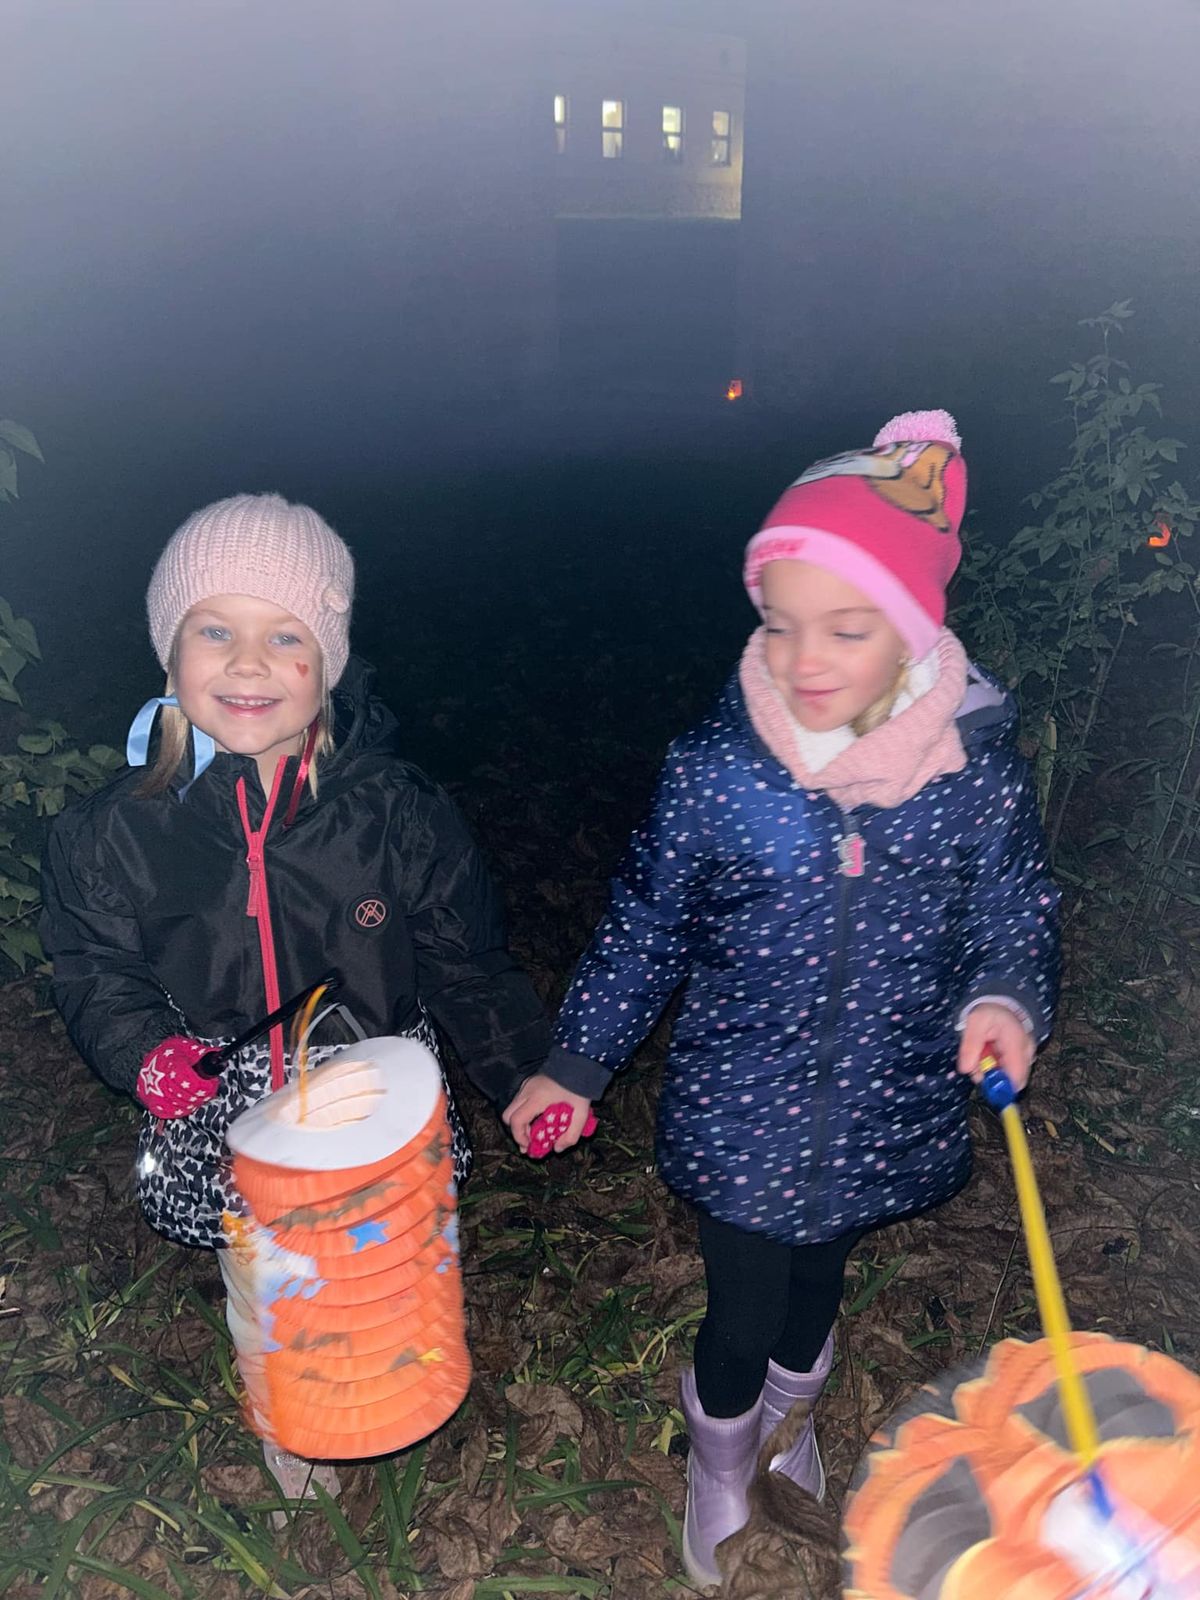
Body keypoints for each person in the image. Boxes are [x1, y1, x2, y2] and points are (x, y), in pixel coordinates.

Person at [502, 411, 1060, 1588]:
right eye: (779, 621)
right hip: (744, 1107)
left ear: (913, 628)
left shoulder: (971, 776)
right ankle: (721, 1456)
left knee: (818, 1293)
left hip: (885, 1099)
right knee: (744, 1311)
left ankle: (790, 1422)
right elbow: (647, 922)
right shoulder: (719, 773)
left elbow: (1014, 905)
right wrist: (577, 1062)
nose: (806, 654)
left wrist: (1006, 996)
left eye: (846, 627)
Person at [41, 492, 550, 1520]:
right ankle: (290, 1422)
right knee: (266, 1280)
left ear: (327, 664)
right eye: (214, 631)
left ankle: (397, 1380)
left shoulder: (394, 812)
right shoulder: (115, 831)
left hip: (369, 1090)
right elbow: (93, 962)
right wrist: (142, 1050)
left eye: (286, 638)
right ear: (170, 652)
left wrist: (525, 1070)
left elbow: (463, 957)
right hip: (224, 1096)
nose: (248, 663)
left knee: (379, 1266)